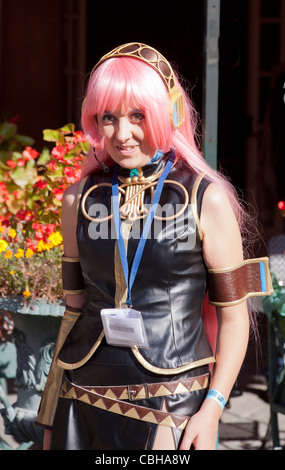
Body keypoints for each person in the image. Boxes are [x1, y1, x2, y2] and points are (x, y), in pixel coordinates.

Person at [35, 42, 273, 450]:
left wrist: (213, 408)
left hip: (172, 402)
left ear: (167, 114)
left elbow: (235, 320)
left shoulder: (206, 198)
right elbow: (73, 314)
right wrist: (49, 413)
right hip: (81, 398)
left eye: (138, 116)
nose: (121, 134)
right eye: (107, 117)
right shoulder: (77, 199)